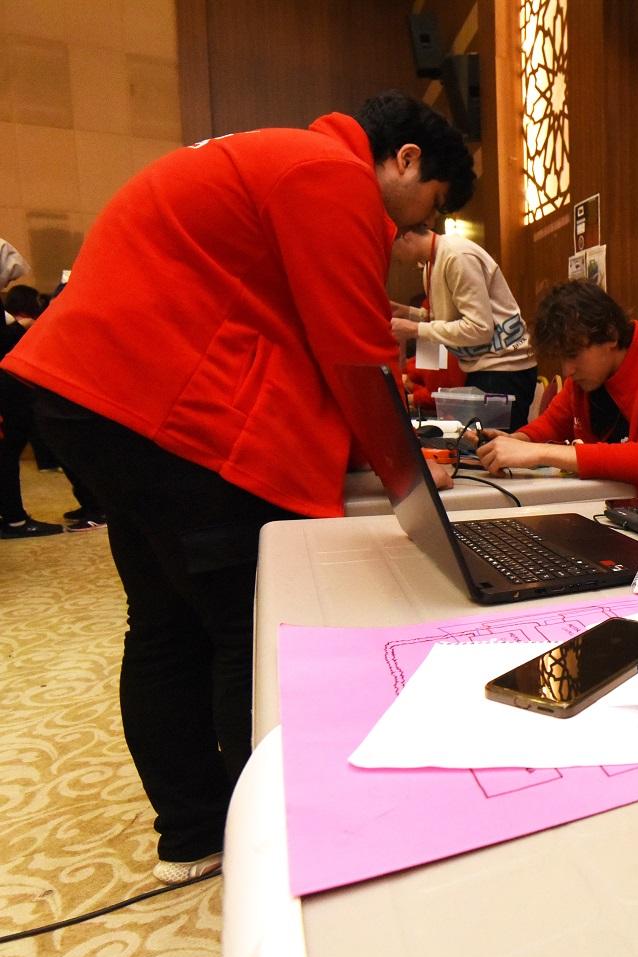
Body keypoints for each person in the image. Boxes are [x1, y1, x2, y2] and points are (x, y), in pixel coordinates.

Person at [0, 91, 475, 881]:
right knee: (240, 626)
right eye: (429, 206)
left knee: (163, 620)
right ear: (407, 159)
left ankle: (192, 833)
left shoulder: (277, 154)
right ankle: (268, 848)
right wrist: (404, 470)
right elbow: (352, 347)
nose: (414, 228)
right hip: (162, 408)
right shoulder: (331, 174)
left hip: (97, 399)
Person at [476, 280, 638, 495]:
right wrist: (517, 441)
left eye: (573, 355)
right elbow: (553, 424)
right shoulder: (587, 379)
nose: (567, 370)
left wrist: (539, 452)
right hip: (605, 505)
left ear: (611, 335)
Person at [389, 226, 537, 430]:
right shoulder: (430, 265)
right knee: (478, 443)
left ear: (406, 236)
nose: (392, 259)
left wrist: (416, 329)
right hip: (482, 366)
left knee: (498, 444)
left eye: (390, 247)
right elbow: (448, 319)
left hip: (505, 366)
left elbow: (479, 329)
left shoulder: (457, 255)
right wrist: (409, 313)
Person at [0, 285, 66, 537]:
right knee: (6, 454)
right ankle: (15, 519)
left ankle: (11, 516)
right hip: (8, 393)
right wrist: (20, 328)